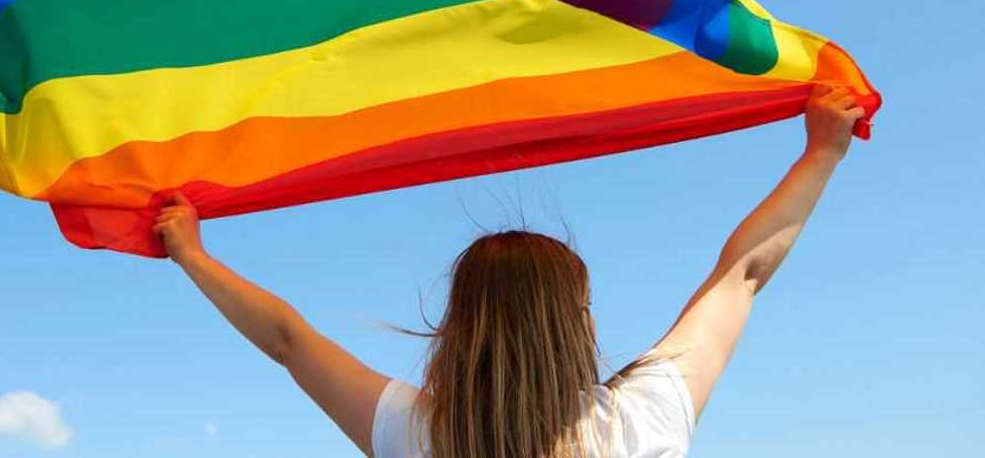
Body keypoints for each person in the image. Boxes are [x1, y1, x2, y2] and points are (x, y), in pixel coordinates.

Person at [153, 84, 866, 457]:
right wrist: (820, 154)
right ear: (574, 322)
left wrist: (192, 255)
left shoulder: (416, 433)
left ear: (461, 326)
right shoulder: (639, 422)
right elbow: (741, 271)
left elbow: (288, 341)